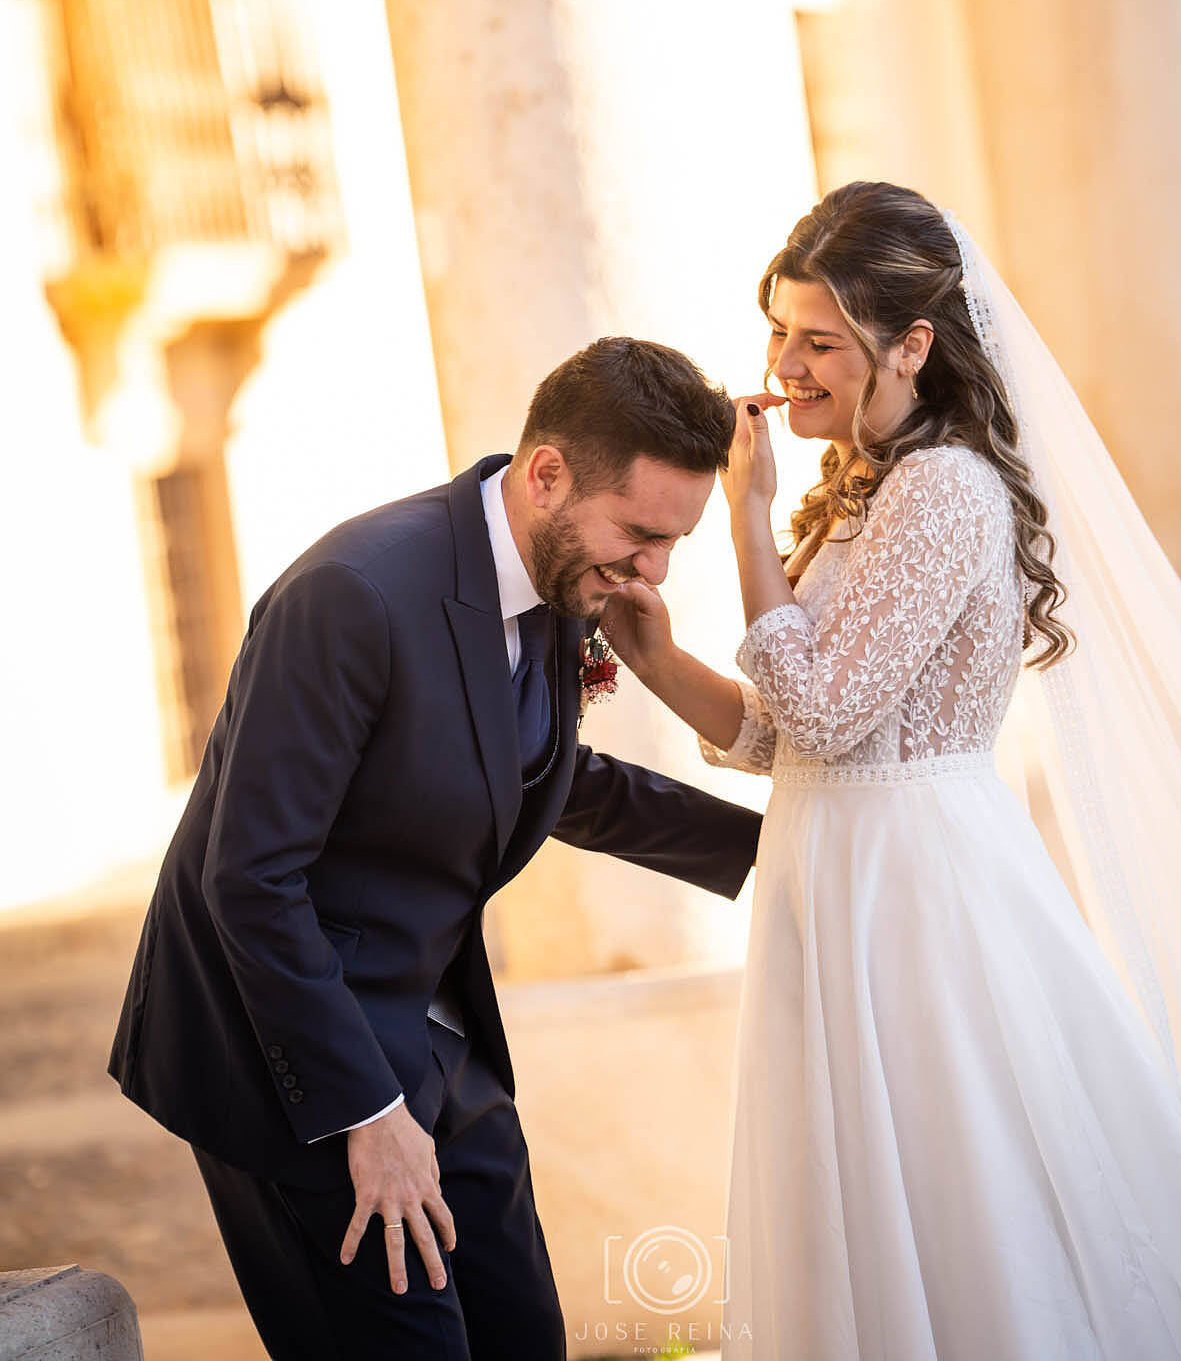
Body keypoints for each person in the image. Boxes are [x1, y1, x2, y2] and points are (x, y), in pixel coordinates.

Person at [602, 182, 1181, 1360]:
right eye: (779, 330)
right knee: (857, 1202)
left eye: (820, 340)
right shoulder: (867, 485)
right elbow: (786, 737)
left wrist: (746, 517)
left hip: (913, 892)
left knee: (963, 1193)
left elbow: (823, 713)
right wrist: (655, 657)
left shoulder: (943, 489)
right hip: (831, 874)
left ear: (911, 344)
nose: (785, 364)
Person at [109, 337, 763, 1361]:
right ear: (545, 474)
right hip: (292, 1051)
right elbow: (250, 878)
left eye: (672, 542)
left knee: (525, 1337)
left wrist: (777, 851)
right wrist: (365, 1112)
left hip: (437, 1034)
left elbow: (537, 775)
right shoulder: (354, 594)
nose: (653, 571)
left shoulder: (556, 578)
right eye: (641, 534)